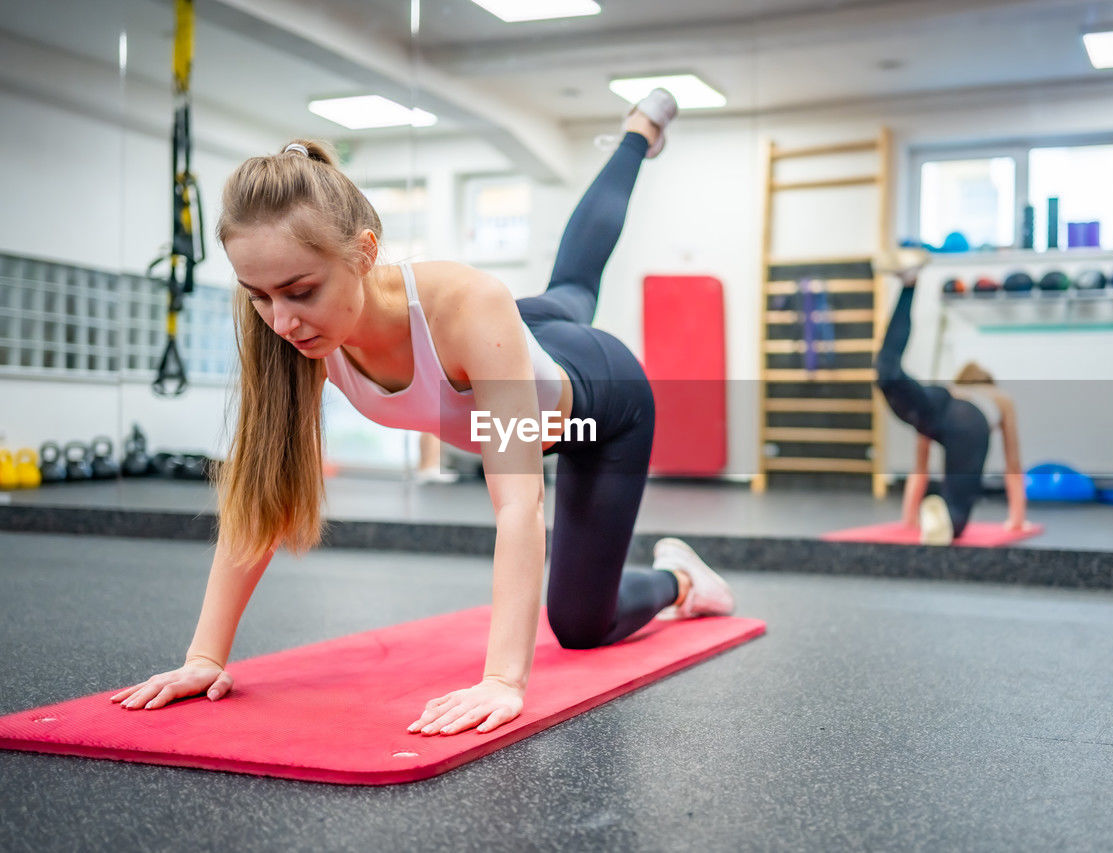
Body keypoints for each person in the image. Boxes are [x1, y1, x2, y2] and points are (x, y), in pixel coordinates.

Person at [110, 89, 736, 736]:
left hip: (602, 403)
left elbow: (518, 504)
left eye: (300, 291)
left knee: (580, 626)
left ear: (365, 251)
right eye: (259, 296)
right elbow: (261, 496)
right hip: (513, 349)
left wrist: (503, 679)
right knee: (568, 291)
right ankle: (640, 131)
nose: (282, 320)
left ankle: (678, 577)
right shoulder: (295, 331)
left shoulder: (467, 304)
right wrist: (203, 658)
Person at [874, 252, 1029, 544]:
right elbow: (1013, 465)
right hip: (970, 423)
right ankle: (947, 515)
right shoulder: (1000, 399)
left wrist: (906, 519)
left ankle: (909, 285)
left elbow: (920, 464)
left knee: (887, 372)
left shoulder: (956, 389)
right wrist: (1017, 520)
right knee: (956, 513)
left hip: (937, 401)